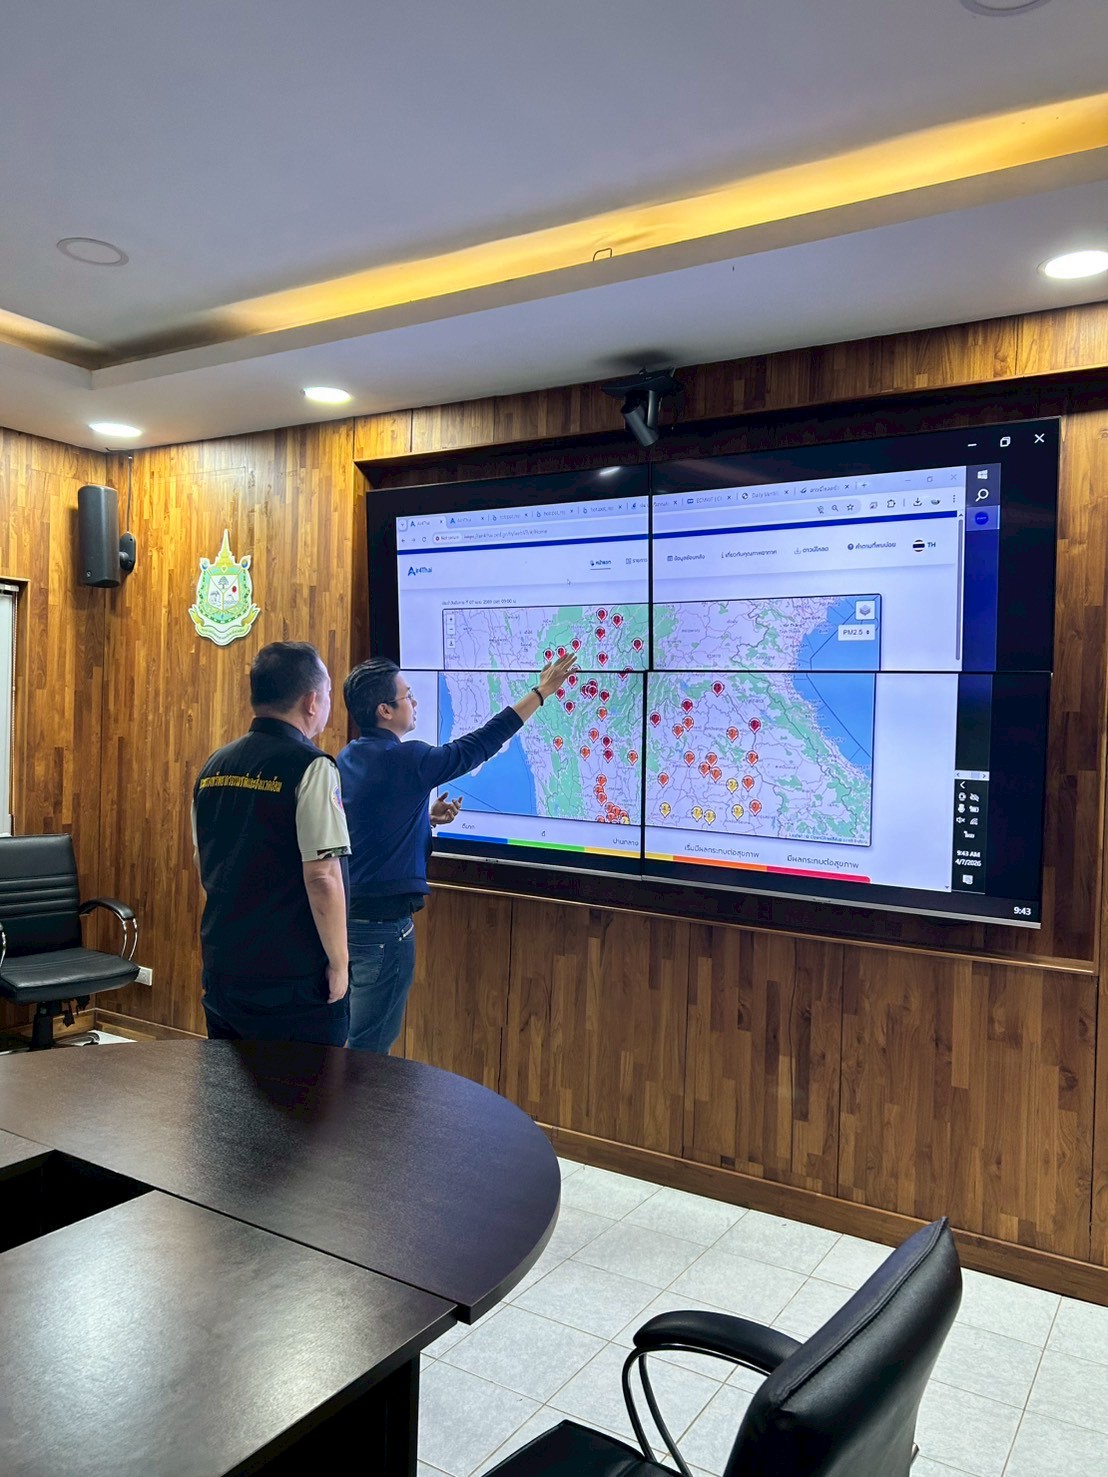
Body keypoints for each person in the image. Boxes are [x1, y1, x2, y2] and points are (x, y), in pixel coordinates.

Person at [337, 652, 577, 1052]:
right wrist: (540, 693)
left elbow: (369, 825)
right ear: (385, 710)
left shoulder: (350, 756)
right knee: (369, 1052)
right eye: (407, 696)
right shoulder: (407, 758)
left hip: (347, 921)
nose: (414, 702)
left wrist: (424, 818)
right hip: (385, 931)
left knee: (346, 1039)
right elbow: (477, 745)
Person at [192, 641, 351, 1046]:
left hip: (225, 968)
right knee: (304, 1086)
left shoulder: (214, 765)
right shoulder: (312, 767)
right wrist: (339, 962)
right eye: (328, 693)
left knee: (228, 1083)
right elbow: (323, 877)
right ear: (312, 702)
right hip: (292, 981)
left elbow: (203, 861)